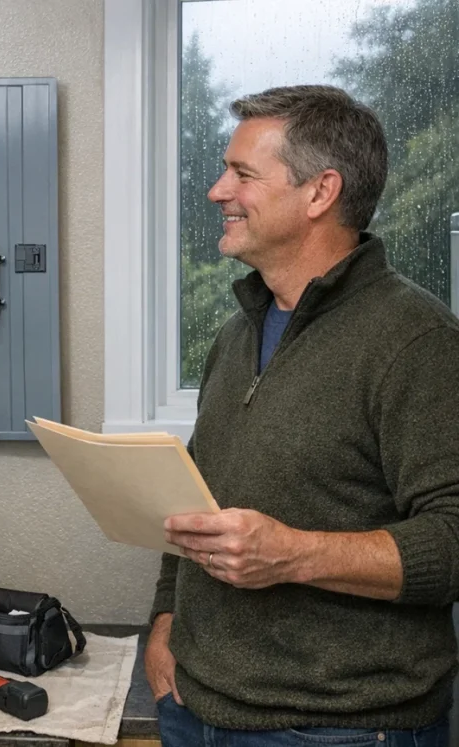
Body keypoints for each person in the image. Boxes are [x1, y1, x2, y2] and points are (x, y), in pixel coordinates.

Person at [146, 84, 459, 746]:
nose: (216, 191)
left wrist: (293, 554)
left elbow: (454, 540)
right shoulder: (236, 334)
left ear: (319, 193)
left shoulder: (416, 340)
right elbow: (197, 495)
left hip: (336, 727)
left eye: (242, 174)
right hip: (194, 706)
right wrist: (167, 620)